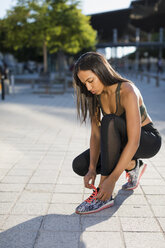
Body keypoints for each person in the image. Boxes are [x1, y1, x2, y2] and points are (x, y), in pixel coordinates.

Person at [72, 52, 162, 215]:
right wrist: (92, 168)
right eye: (84, 83)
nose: (88, 88)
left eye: (90, 81)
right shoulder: (95, 96)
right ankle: (133, 166)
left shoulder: (127, 90)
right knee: (80, 165)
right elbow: (96, 136)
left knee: (110, 121)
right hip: (121, 141)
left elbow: (134, 141)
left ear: (101, 71)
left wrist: (111, 180)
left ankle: (103, 196)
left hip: (146, 140)